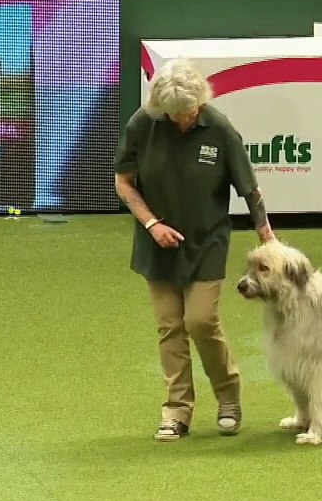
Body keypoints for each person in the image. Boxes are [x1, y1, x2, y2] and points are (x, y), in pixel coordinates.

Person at [113, 58, 276, 441]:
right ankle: (176, 411)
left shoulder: (218, 129)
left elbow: (249, 190)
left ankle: (229, 398)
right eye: (176, 115)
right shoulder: (143, 123)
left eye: (190, 111)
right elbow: (124, 183)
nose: (185, 119)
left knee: (200, 322)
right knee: (170, 326)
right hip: (158, 243)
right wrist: (152, 224)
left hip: (207, 242)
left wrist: (266, 234)